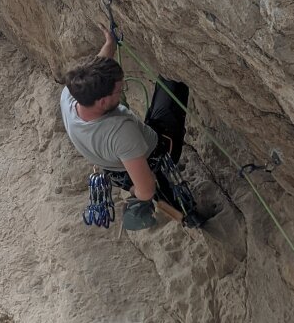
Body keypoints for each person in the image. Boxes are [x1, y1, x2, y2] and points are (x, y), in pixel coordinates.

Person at [60, 26, 197, 229]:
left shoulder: (72, 95)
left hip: (118, 169)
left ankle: (180, 209)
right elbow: (146, 189)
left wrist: (110, 45)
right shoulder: (120, 131)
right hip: (155, 155)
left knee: (159, 186)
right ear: (103, 102)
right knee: (172, 83)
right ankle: (188, 214)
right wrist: (137, 193)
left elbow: (94, 72)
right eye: (119, 90)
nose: (122, 89)